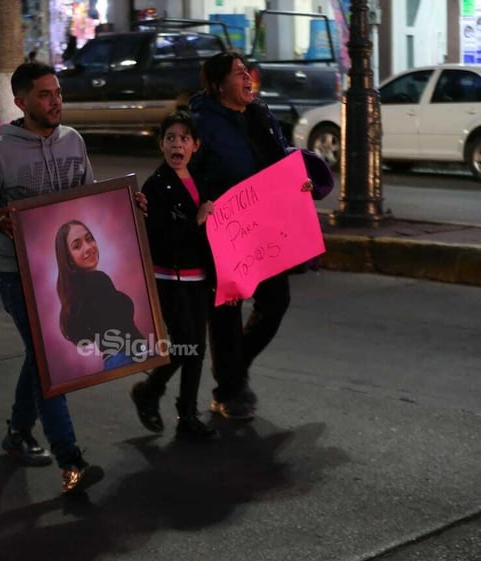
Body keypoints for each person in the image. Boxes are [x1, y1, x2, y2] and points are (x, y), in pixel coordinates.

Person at [0, 61, 104, 495]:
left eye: (58, 93)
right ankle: (70, 460)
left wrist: (122, 205)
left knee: (40, 357)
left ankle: (16, 434)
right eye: (45, 95)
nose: (55, 102)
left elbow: (90, 197)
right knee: (51, 361)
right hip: (20, 277)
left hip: (66, 277)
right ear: (21, 101)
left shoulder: (74, 142)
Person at [189, 51, 313, 420]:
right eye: (237, 73)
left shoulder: (261, 116)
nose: (247, 77)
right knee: (226, 312)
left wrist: (298, 182)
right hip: (224, 232)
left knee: (276, 301)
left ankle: (232, 370)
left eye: (247, 71)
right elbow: (187, 173)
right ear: (216, 85)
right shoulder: (201, 124)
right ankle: (228, 391)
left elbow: (279, 161)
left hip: (264, 229)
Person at [128, 110, 218, 437]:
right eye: (169, 138)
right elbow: (163, 239)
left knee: (195, 346)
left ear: (195, 145)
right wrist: (197, 221)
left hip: (199, 277)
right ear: (161, 145)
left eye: (183, 138)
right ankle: (167, 402)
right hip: (170, 277)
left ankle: (175, 407)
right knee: (187, 343)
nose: (176, 144)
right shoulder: (157, 185)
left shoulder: (198, 178)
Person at [55, 219, 146, 370]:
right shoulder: (97, 281)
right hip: (127, 356)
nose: (88, 247)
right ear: (68, 258)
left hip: (114, 359)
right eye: (77, 246)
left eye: (89, 239)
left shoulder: (78, 292)